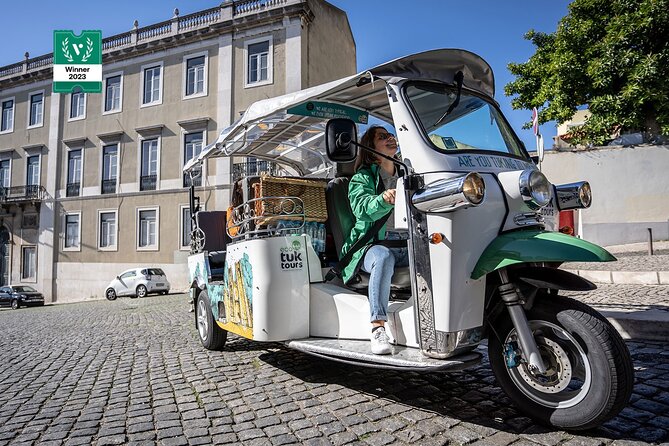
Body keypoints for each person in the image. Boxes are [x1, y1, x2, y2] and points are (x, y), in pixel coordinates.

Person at [340, 126, 409, 355]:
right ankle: (378, 328)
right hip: (371, 247)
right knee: (383, 256)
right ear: (370, 148)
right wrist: (383, 199)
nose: (390, 138)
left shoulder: (408, 174)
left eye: (390, 135)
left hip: (406, 243)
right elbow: (362, 210)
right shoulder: (362, 177)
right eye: (382, 137)